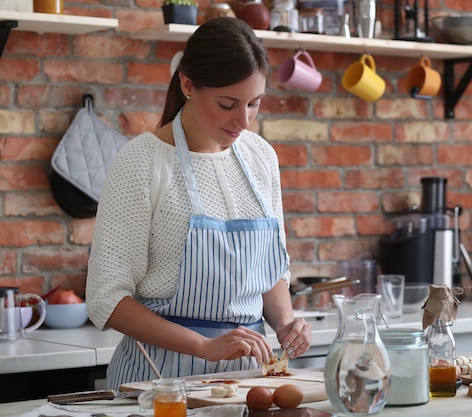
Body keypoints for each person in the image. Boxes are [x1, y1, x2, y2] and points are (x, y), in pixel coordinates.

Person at [86, 17, 311, 389]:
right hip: (159, 384)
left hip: (246, 385)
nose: (244, 121)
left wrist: (286, 323)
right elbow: (105, 300)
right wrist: (204, 346)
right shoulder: (142, 162)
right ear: (188, 84)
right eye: (227, 104)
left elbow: (268, 273)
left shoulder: (261, 158)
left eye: (254, 104)